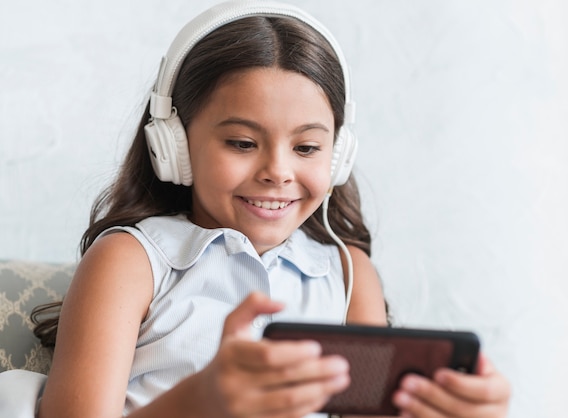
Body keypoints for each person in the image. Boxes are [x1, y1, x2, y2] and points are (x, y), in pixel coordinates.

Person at [23, 1, 511, 417]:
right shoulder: (131, 262)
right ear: (173, 144)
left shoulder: (346, 274)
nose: (277, 171)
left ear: (338, 156)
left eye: (306, 148)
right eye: (241, 142)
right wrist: (200, 400)